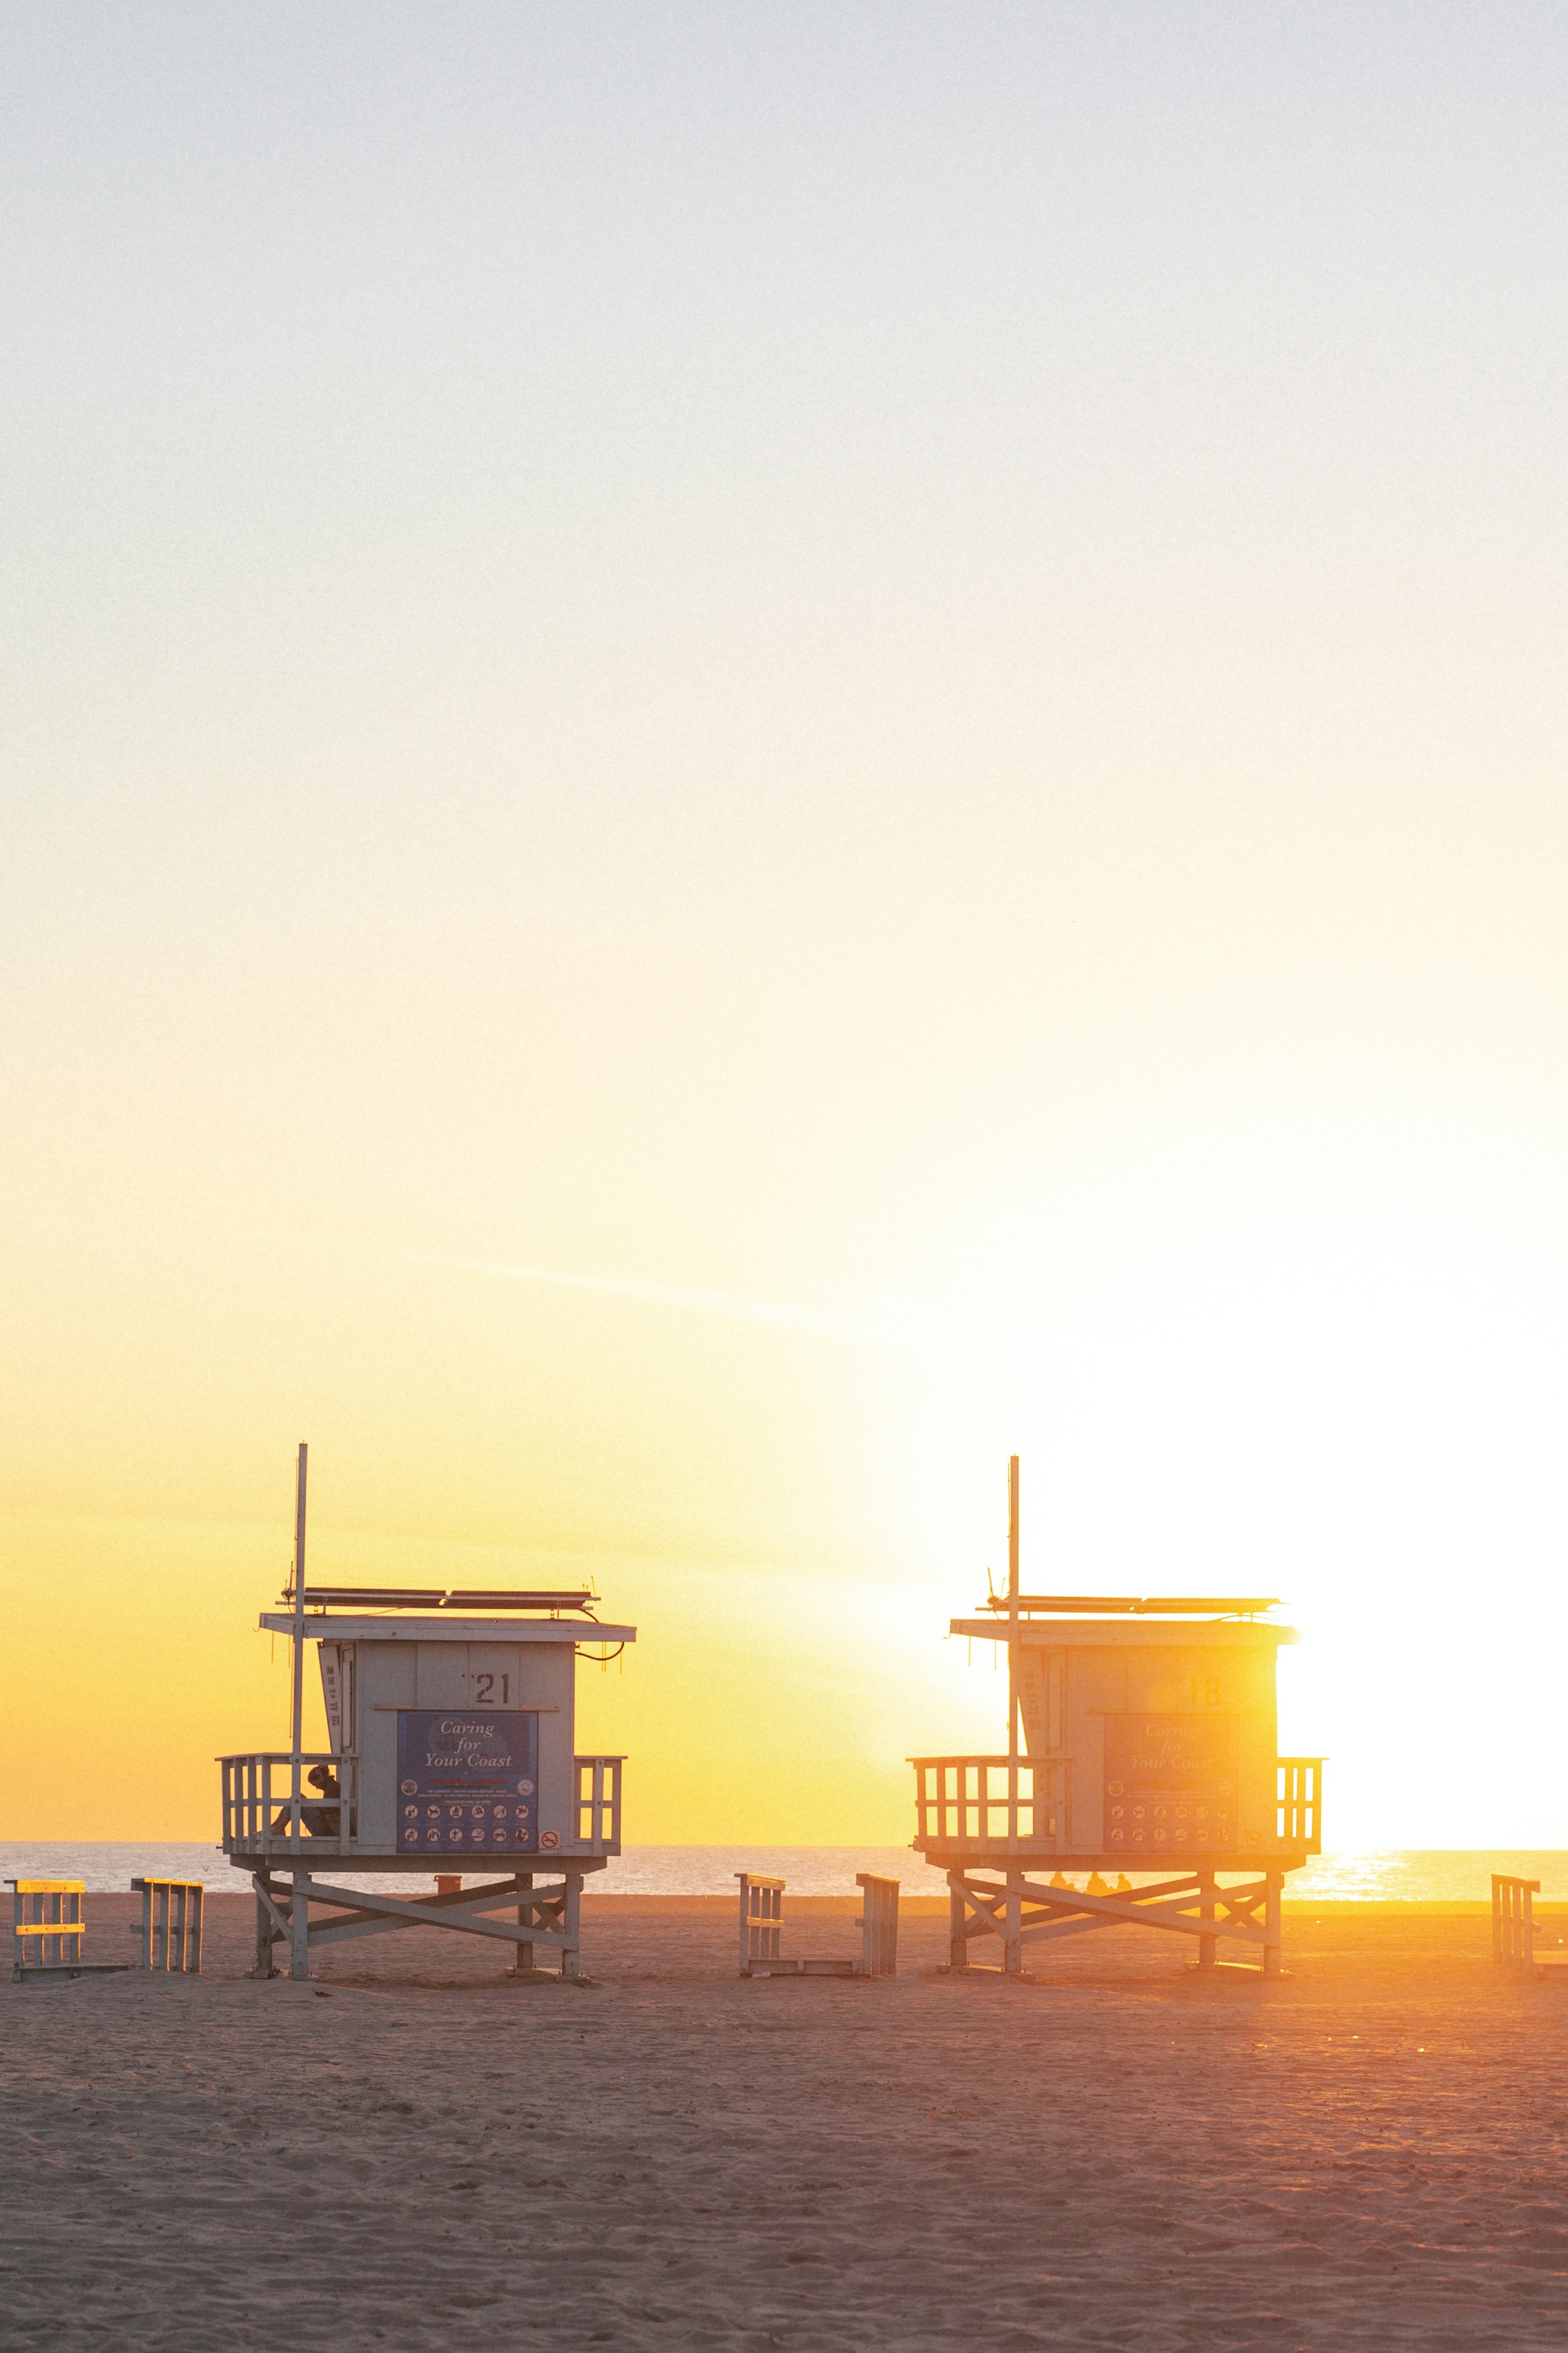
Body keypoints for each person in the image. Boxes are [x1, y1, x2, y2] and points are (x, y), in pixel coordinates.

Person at [270, 1761, 341, 1837]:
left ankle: (278, 1827)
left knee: (297, 1798)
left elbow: (328, 1810)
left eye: (316, 1785)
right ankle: (276, 1827)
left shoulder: (333, 1788)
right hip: (328, 1827)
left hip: (328, 1830)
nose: (317, 1788)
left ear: (321, 1778)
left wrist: (314, 1807)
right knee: (294, 1801)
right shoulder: (332, 1787)